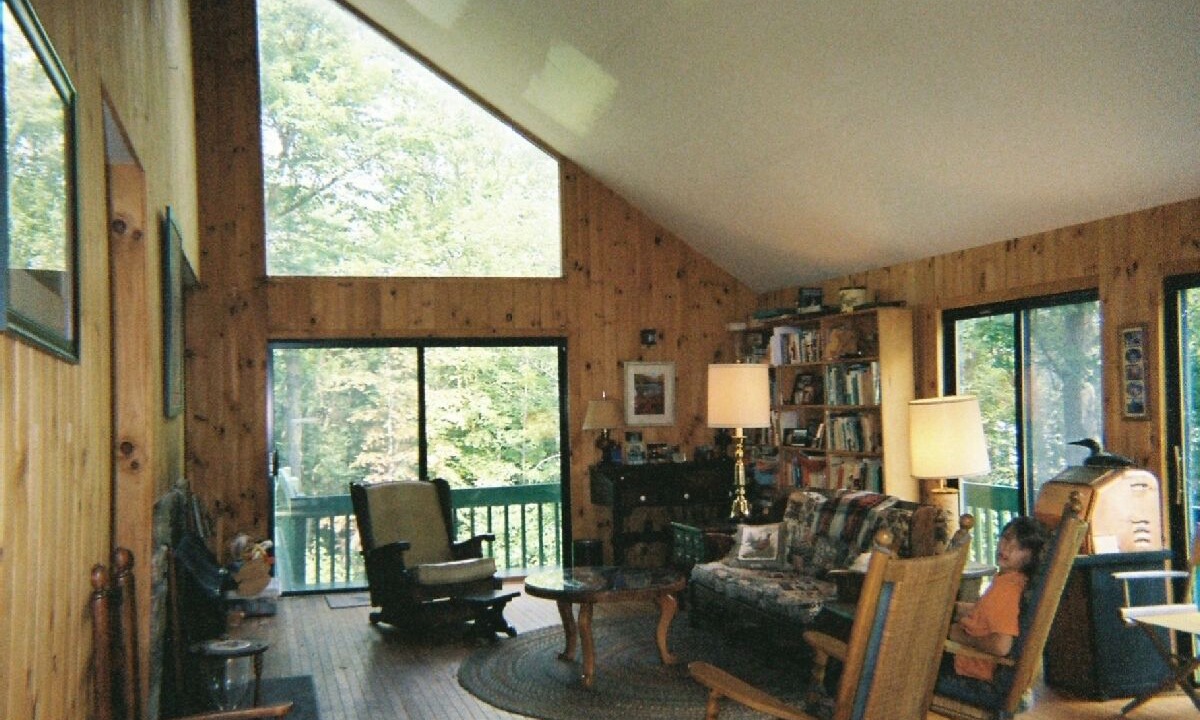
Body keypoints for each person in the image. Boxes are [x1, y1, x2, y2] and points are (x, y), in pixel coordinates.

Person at [936, 516, 1050, 696]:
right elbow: (986, 613)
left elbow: (1001, 646)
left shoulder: (1007, 590)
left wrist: (957, 635)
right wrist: (952, 607)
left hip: (969, 669)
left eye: (1020, 547)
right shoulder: (1012, 580)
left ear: (1032, 557)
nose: (1007, 548)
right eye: (1006, 538)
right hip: (968, 661)